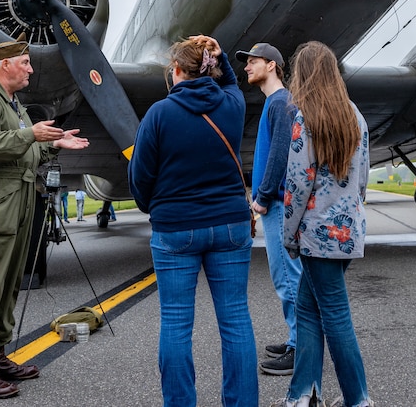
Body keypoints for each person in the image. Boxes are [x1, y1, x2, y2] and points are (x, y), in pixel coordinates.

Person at [0, 39, 90, 399]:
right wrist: (31, 133)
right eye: (26, 63)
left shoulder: (12, 104)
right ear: (5, 65)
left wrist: (52, 143)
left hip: (12, 204)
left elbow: (23, 146)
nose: (31, 69)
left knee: (8, 282)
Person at [129, 34, 258, 407]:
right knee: (235, 320)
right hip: (231, 227)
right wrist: (218, 57)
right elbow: (231, 83)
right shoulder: (232, 106)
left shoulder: (159, 114)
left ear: (177, 71)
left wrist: (152, 206)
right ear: (212, 70)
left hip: (175, 229)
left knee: (175, 325)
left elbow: (140, 176)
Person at [280, 41, 371, 407]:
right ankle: (303, 395)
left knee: (335, 316)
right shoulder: (356, 117)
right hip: (348, 232)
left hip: (317, 235)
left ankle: (358, 399)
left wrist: (289, 235)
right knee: (309, 310)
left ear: (303, 75)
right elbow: (362, 178)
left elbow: (297, 184)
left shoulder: (306, 117)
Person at [240, 42, 300, 377]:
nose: (247, 67)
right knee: (288, 276)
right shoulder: (276, 102)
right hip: (277, 202)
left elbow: (280, 154)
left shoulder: (279, 102)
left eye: (253, 61)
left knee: (288, 278)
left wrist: (261, 197)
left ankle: (300, 348)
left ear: (272, 65)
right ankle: (296, 340)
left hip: (277, 203)